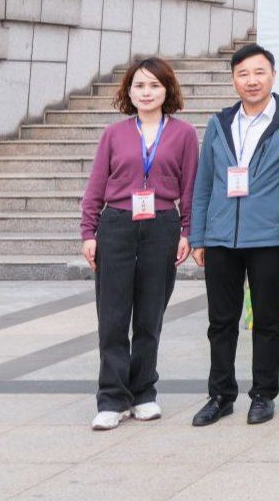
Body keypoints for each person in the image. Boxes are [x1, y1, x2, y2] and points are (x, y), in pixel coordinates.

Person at [189, 43, 279, 427]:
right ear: (233, 80)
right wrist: (199, 236)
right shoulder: (219, 124)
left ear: (272, 75)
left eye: (259, 72)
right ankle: (220, 395)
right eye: (243, 74)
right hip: (221, 238)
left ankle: (263, 394)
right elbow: (204, 183)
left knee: (267, 320)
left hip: (269, 239)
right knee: (220, 322)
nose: (252, 80)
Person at [80, 57, 197, 430]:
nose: (147, 92)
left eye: (154, 85)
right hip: (116, 224)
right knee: (113, 318)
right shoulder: (114, 134)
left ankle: (144, 392)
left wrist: (187, 231)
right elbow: (95, 187)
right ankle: (112, 398)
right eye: (139, 86)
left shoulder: (183, 134)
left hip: (162, 225)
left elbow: (190, 188)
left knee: (150, 316)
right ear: (128, 92)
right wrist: (88, 233)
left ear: (167, 90)